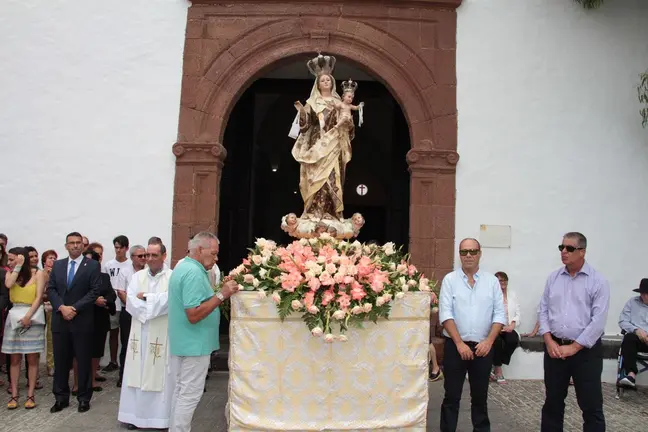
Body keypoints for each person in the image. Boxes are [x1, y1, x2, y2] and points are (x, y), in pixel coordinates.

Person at [538, 232, 609, 432]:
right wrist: (548, 339)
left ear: (582, 252)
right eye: (562, 248)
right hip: (555, 349)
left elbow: (599, 321)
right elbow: (543, 310)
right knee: (552, 402)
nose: (564, 252)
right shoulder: (553, 278)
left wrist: (575, 347)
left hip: (585, 352)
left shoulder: (597, 281)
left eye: (569, 248)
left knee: (591, 404)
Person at [168, 232, 239, 431]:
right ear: (200, 250)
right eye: (214, 253)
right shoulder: (193, 272)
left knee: (181, 392)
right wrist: (222, 294)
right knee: (189, 394)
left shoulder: (184, 268)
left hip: (185, 341)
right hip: (194, 343)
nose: (216, 258)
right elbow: (193, 313)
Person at [438, 238, 506, 432]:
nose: (468, 256)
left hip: (483, 347)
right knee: (451, 397)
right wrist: (459, 343)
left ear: (480, 253)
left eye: (473, 251)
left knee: (480, 397)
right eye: (464, 252)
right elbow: (446, 313)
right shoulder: (450, 280)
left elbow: (499, 314)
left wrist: (489, 341)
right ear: (459, 254)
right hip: (455, 346)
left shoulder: (492, 281)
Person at [118, 240, 174, 430]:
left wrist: (147, 298)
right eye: (147, 255)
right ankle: (134, 417)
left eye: (154, 255)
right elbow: (130, 302)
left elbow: (169, 301)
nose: (149, 259)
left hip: (161, 334)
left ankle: (159, 419)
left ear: (164, 256)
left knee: (159, 375)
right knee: (137, 373)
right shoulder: (137, 276)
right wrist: (150, 306)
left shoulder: (172, 277)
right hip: (139, 333)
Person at [47, 232, 101, 413]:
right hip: (61, 320)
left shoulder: (92, 266)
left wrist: (75, 308)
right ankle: (61, 398)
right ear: (66, 246)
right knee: (61, 361)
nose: (76, 246)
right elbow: (51, 289)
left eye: (79, 243)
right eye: (72, 243)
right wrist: (62, 307)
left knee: (83, 360)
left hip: (82, 320)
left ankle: (84, 398)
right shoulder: (58, 265)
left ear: (83, 246)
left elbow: (94, 291)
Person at [2, 247, 46, 409]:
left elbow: (39, 296)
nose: (10, 261)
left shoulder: (38, 274)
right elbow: (8, 284)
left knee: (32, 359)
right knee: (14, 359)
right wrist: (17, 267)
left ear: (22, 257)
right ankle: (14, 394)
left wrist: (28, 316)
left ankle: (31, 394)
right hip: (14, 316)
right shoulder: (11, 273)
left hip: (32, 315)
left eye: (13, 258)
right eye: (10, 259)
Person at [81, 249, 116, 393]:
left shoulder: (104, 277)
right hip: (84, 316)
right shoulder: (80, 277)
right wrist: (94, 300)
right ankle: (83, 378)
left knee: (97, 349)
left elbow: (111, 294)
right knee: (84, 349)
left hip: (100, 317)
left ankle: (93, 376)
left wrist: (104, 300)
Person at [115, 245, 147, 387]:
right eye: (140, 256)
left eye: (145, 255)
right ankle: (123, 376)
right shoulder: (125, 271)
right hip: (128, 313)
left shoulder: (149, 271)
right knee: (127, 344)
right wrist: (134, 306)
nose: (144, 258)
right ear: (133, 257)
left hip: (146, 312)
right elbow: (121, 292)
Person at [104, 235, 131, 374]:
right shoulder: (109, 265)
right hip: (113, 304)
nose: (118, 250)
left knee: (125, 335)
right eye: (116, 247)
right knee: (113, 333)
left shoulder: (131, 264)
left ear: (126, 248)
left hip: (126, 303)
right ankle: (113, 360)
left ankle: (125, 361)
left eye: (121, 247)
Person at [617, 278, 648, 388]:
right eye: (643, 293)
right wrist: (636, 330)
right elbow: (622, 321)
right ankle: (631, 375)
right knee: (629, 338)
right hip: (637, 339)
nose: (645, 296)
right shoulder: (632, 302)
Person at [490, 271, 520, 384]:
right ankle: (498, 369)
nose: (502, 283)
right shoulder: (491, 295)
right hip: (495, 326)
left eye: (504, 280)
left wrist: (512, 324)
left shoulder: (512, 294)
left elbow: (518, 313)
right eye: (499, 280)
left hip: (509, 327)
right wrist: (498, 325)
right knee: (496, 342)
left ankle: (499, 363)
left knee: (512, 340)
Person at [41, 250, 58, 377]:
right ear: (44, 260)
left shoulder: (57, 273)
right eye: (50, 258)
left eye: (54, 258)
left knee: (51, 337)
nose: (52, 260)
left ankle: (51, 364)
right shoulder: (40, 274)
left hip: (52, 308)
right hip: (39, 308)